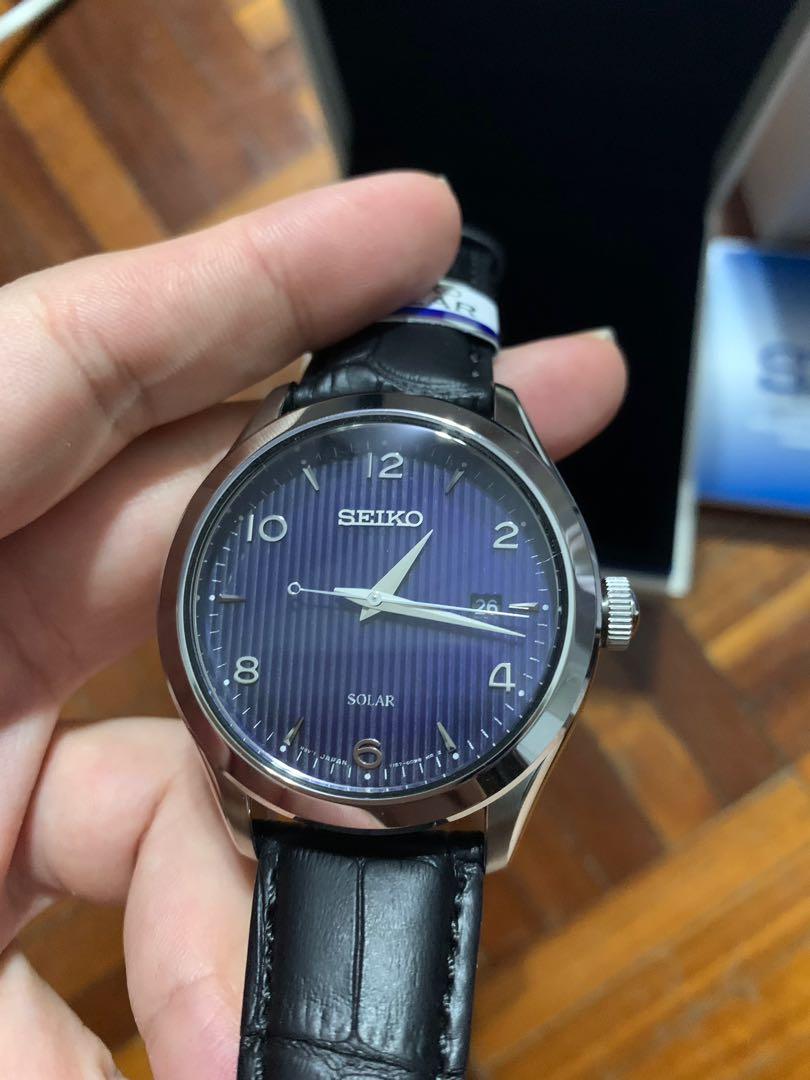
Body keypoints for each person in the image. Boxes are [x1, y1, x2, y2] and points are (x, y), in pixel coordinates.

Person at [0, 172, 625, 1078]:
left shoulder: (397, 447)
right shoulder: (292, 446)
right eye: (372, 606)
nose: (374, 610)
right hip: (310, 771)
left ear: (594, 616)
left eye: (383, 606)